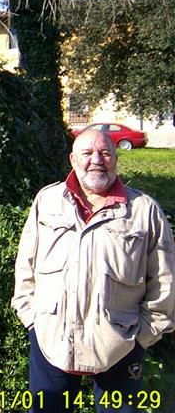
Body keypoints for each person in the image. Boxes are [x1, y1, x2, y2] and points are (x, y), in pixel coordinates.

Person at [12, 129, 175, 413]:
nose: (96, 160)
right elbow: (26, 263)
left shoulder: (144, 210)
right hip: (51, 341)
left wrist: (143, 337)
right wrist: (32, 320)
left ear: (116, 159)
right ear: (73, 159)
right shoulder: (47, 201)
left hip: (121, 345)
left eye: (105, 153)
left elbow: (164, 280)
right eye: (87, 153)